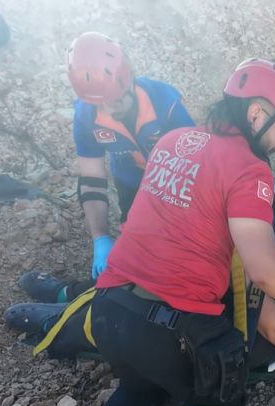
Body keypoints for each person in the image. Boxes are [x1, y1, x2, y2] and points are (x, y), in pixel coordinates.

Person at [78, 58, 275, 406]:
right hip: (169, 330)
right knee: (222, 394)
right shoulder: (247, 167)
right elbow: (264, 271)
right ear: (257, 113)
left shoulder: (171, 140)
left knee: (136, 390)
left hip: (107, 313)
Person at [18, 32, 195, 302]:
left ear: (129, 78)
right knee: (131, 260)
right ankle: (76, 297)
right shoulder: (86, 116)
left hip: (180, 189)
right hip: (133, 188)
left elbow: (200, 161)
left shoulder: (164, 101)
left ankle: (78, 296)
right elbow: (92, 181)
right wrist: (100, 237)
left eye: (116, 99)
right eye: (101, 102)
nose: (110, 109)